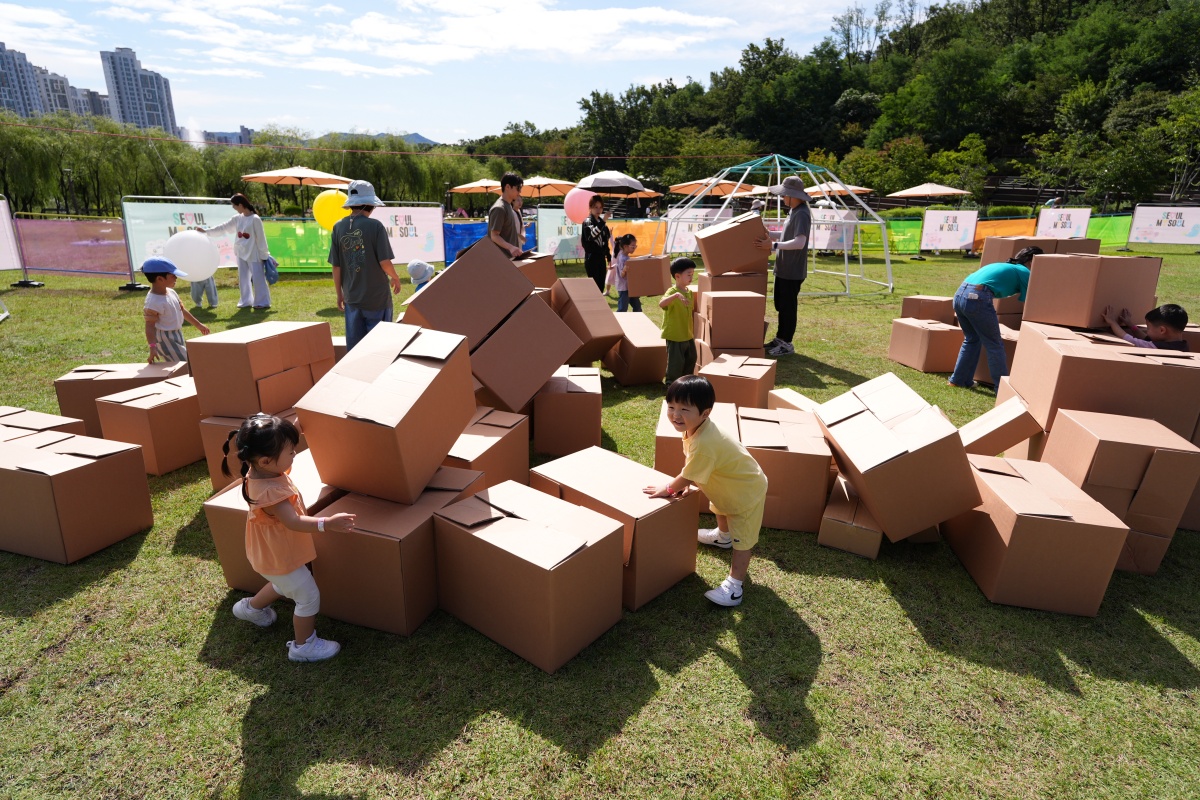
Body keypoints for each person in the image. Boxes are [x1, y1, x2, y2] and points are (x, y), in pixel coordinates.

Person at [221, 414, 356, 662]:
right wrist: (329, 524)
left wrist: (295, 425)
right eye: (290, 451)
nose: (294, 454)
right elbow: (293, 522)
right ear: (266, 459)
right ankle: (303, 646)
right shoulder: (272, 492)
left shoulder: (260, 470)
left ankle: (251, 609)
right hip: (281, 556)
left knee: (283, 584)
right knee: (307, 596)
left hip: (270, 555)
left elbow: (276, 447)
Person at [644, 375, 768, 607]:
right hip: (725, 487)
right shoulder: (696, 429)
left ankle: (734, 588)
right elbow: (696, 466)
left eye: (684, 409)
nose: (675, 415)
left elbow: (691, 471)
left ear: (705, 413)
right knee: (720, 507)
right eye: (671, 407)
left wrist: (670, 488)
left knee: (743, 541)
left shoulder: (705, 443)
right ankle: (723, 537)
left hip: (745, 493)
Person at [948, 246, 1042, 390]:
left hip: (959, 295)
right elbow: (1031, 304)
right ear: (1032, 261)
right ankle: (1002, 389)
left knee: (972, 339)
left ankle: (958, 380)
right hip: (977, 297)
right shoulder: (1025, 272)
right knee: (994, 345)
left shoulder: (1008, 266)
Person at [328, 180, 403, 351]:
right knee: (380, 349)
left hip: (352, 299)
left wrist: (339, 294)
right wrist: (395, 277)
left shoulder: (338, 227)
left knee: (356, 349)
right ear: (370, 203)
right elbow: (384, 262)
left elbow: (336, 266)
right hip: (377, 299)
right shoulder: (375, 226)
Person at [754, 175, 812, 357]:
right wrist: (770, 234)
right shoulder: (794, 211)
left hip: (792, 271)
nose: (782, 198)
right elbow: (788, 236)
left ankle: (786, 343)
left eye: (784, 195)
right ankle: (781, 338)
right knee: (781, 305)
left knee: (788, 308)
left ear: (792, 195)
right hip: (783, 269)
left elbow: (799, 242)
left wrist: (773, 245)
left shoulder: (802, 213)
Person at [200, 193, 272, 309]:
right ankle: (246, 300)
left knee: (258, 278)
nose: (234, 208)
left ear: (241, 204)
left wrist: (264, 255)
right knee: (243, 279)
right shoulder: (237, 218)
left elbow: (261, 238)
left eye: (235, 206)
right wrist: (206, 231)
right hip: (240, 252)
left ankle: (262, 302)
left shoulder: (255, 219)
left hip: (254, 253)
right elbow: (223, 228)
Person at [142, 257, 210, 363]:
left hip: (177, 334)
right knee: (186, 364)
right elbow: (149, 326)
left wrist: (198, 325)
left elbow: (182, 310)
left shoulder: (171, 292)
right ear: (160, 279)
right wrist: (152, 347)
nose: (176, 278)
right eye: (173, 275)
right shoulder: (153, 302)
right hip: (165, 339)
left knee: (180, 365)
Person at [660, 257, 697, 383]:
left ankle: (686, 382)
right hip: (675, 335)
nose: (691, 277)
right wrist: (675, 296)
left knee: (691, 358)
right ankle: (671, 384)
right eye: (688, 274)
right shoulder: (672, 291)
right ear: (677, 276)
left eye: (692, 274)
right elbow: (662, 304)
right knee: (676, 362)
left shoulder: (689, 292)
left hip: (687, 334)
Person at [1103, 303, 1190, 351]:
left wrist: (1113, 323)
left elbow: (1130, 340)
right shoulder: (1181, 345)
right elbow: (1146, 338)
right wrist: (1130, 325)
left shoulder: (1161, 347)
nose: (1146, 331)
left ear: (1162, 330)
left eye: (1148, 328)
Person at [488, 172, 525, 257]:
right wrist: (511, 248)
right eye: (518, 188)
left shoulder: (508, 206)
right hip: (501, 260)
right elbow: (494, 236)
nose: (519, 192)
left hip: (509, 258)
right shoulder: (499, 208)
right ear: (508, 187)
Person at [581, 195, 612, 292]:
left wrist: (608, 256)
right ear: (590, 208)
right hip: (592, 258)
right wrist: (603, 221)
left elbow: (604, 242)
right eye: (595, 207)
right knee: (594, 286)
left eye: (600, 207)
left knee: (601, 285)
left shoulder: (601, 223)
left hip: (601, 258)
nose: (598, 210)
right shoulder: (587, 221)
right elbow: (591, 236)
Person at [611, 234, 642, 312]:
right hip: (624, 288)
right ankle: (618, 322)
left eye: (635, 246)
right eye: (632, 246)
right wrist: (624, 270)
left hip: (630, 287)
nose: (634, 248)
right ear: (625, 246)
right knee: (622, 308)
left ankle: (639, 321)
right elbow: (622, 275)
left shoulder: (627, 257)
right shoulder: (622, 258)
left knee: (637, 307)